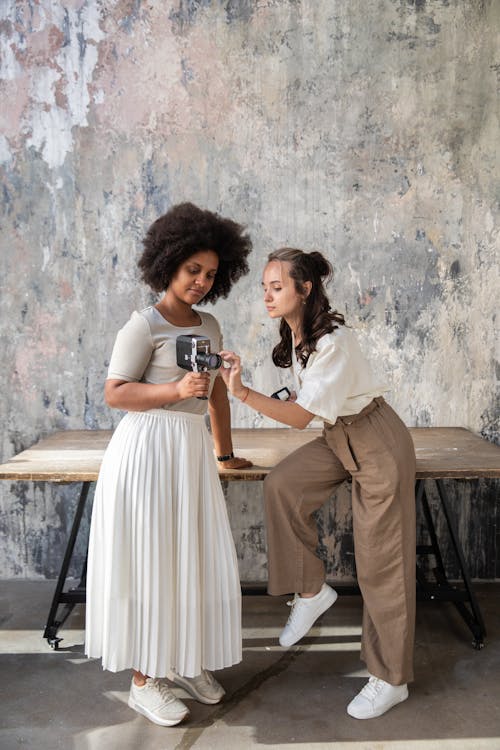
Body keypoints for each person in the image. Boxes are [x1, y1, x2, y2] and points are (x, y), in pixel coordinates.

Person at [219, 247, 416, 720]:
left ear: (305, 289)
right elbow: (314, 410)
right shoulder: (299, 335)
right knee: (282, 484)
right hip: (339, 435)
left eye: (277, 286)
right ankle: (311, 591)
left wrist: (242, 391)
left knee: (380, 564)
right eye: (264, 287)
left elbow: (300, 418)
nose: (267, 296)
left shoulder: (333, 342)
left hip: (375, 441)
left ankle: (391, 679)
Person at [85, 202, 253, 727]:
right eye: (192, 271)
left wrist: (223, 453)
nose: (201, 282)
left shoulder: (211, 325)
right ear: (168, 265)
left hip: (190, 453)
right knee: (150, 559)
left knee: (190, 558)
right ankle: (143, 680)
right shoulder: (142, 326)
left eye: (210, 274)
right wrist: (174, 389)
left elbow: (217, 400)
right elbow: (115, 394)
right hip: (146, 452)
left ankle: (184, 661)